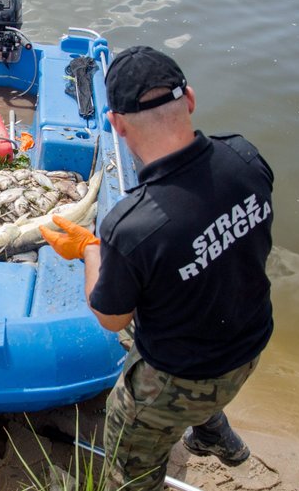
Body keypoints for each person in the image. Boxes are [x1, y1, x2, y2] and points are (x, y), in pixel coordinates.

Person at [40, 46, 274, 490]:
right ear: (190, 99)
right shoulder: (246, 158)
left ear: (116, 123)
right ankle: (214, 432)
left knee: (130, 469)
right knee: (186, 298)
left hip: (179, 378)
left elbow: (111, 319)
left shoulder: (133, 226)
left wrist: (90, 250)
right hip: (250, 343)